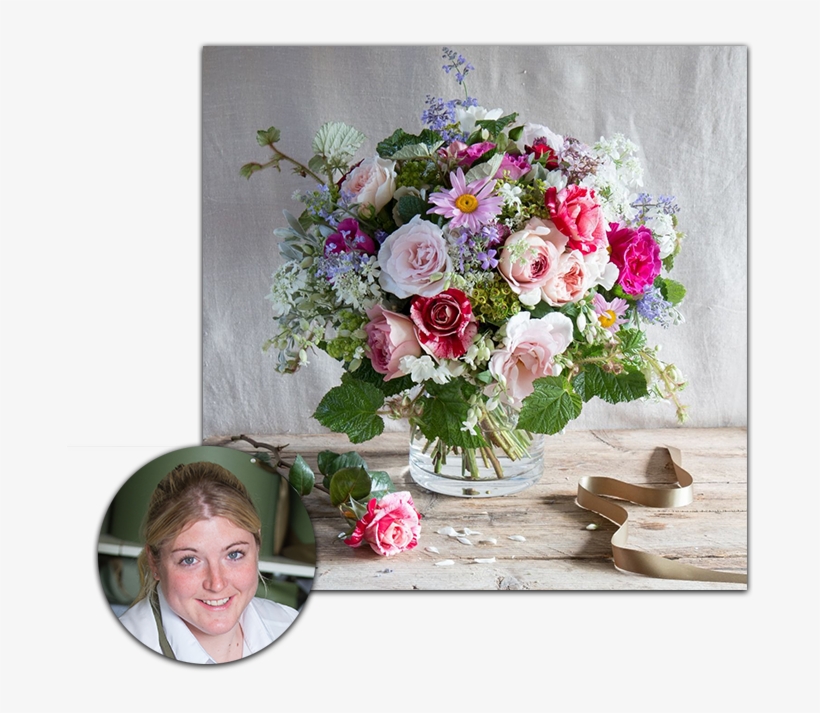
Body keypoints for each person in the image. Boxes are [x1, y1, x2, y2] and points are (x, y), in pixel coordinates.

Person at [118, 461, 299, 663]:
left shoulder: (288, 626)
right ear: (154, 562)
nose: (217, 583)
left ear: (257, 547)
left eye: (234, 555)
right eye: (189, 560)